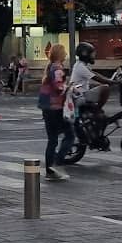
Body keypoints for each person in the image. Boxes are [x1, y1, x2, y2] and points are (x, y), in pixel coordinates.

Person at [38, 44, 73, 181]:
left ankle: (50, 171)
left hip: (47, 108)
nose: (66, 54)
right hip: (56, 107)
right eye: (64, 51)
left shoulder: (50, 67)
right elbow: (59, 87)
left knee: (52, 140)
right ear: (60, 54)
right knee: (70, 135)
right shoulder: (57, 68)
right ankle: (57, 164)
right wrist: (70, 87)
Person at [69, 41, 115, 119]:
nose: (93, 56)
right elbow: (97, 78)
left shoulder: (81, 65)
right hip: (80, 95)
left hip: (80, 94)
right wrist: (111, 82)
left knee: (102, 86)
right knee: (105, 88)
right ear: (85, 55)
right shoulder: (80, 67)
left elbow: (95, 73)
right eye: (92, 54)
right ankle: (97, 110)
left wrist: (109, 79)